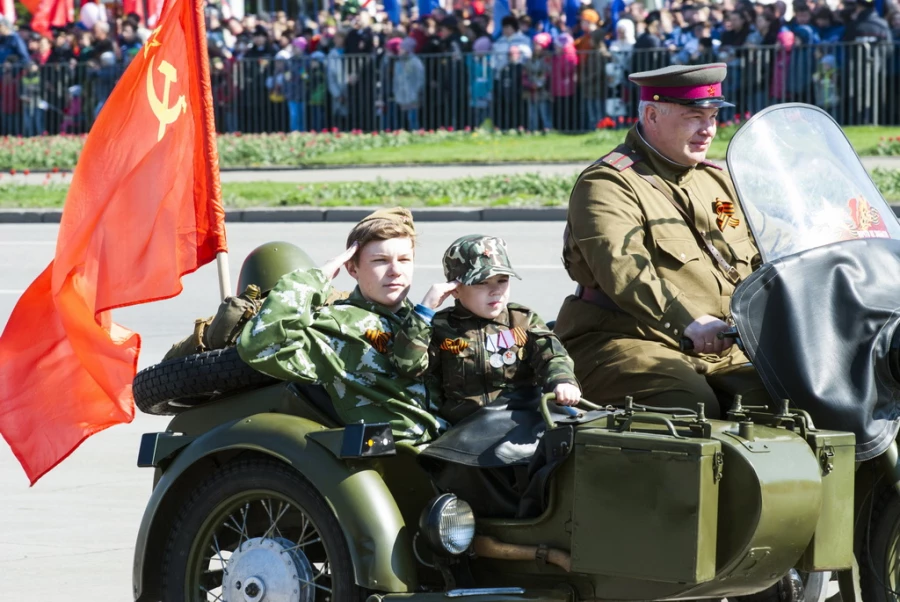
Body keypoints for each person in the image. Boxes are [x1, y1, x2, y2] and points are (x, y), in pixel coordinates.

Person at [554, 63, 769, 418]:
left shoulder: (715, 181)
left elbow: (762, 260)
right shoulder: (608, 185)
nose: (708, 130)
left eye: (713, 116)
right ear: (652, 115)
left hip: (723, 348)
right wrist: (688, 320)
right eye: (694, 117)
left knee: (787, 401)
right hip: (626, 342)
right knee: (690, 407)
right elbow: (624, 269)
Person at [237, 208, 447, 443]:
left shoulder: (420, 318)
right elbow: (260, 346)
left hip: (445, 440)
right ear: (352, 268)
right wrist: (316, 278)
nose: (396, 271)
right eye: (380, 261)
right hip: (396, 451)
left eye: (405, 260)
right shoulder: (340, 325)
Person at [394, 234, 581, 426]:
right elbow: (408, 366)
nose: (495, 291)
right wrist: (424, 310)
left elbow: (552, 356)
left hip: (518, 424)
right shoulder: (441, 326)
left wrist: (562, 381)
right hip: (462, 431)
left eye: (502, 280)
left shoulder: (522, 320)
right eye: (481, 282)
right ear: (455, 289)